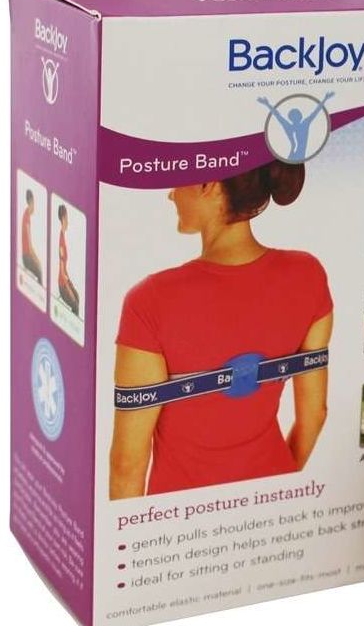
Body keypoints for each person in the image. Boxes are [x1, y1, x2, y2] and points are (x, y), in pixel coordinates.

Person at [109, 163, 332, 497]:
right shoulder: (307, 274)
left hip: (183, 518)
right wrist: (276, 483)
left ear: (208, 184)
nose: (170, 195)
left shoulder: (150, 301)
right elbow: (315, 414)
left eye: (176, 181)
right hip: (275, 505)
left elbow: (127, 465)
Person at [258, 92, 333, 163]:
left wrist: (325, 99)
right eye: (295, 116)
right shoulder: (300, 125)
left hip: (296, 156)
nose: (296, 117)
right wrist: (267, 104)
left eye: (296, 115)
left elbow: (315, 112)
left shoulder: (300, 125)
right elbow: (278, 115)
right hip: (294, 156)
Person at [56, 204, 80, 313]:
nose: (68, 222)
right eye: (66, 219)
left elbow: (64, 270)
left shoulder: (63, 238)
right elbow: (61, 271)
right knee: (75, 304)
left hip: (65, 279)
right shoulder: (61, 242)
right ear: (62, 219)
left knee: (77, 297)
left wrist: (70, 282)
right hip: (62, 284)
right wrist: (68, 288)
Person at [20, 189, 43, 281]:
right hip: (26, 258)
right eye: (34, 203)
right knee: (39, 272)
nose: (34, 207)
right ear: (31, 202)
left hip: (26, 256)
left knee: (38, 268)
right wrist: (37, 261)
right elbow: (30, 248)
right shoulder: (26, 220)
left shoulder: (26, 214)